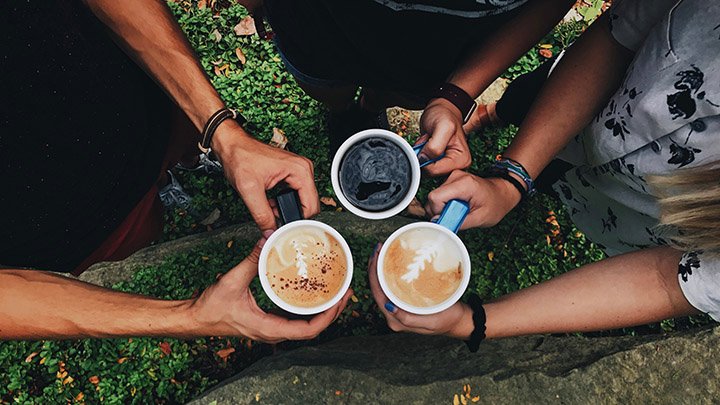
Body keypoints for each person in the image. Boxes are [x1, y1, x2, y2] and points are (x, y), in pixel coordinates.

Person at [368, 0, 720, 344]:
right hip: (570, 98)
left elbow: (669, 278)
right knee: (519, 100)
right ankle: (493, 114)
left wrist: (472, 321)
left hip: (628, 207)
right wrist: (511, 179)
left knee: (552, 176)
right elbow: (618, 36)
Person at [0, 0, 347, 340]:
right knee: (140, 234)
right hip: (69, 218)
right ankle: (165, 187)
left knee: (182, 143)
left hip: (135, 94)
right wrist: (190, 316)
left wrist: (221, 134)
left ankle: (191, 158)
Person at [258, 0, 576, 174]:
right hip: (318, 22)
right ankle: (343, 113)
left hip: (436, 49)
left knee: (400, 92)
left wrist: (454, 95)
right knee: (327, 85)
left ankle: (369, 108)